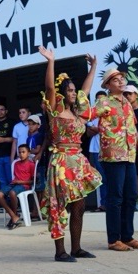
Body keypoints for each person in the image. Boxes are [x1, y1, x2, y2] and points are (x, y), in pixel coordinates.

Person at [38, 47, 103, 261]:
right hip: (61, 162)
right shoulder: (56, 109)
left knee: (79, 206)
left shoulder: (78, 112)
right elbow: (49, 86)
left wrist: (93, 67)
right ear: (61, 93)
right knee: (59, 206)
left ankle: (76, 248)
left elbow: (85, 89)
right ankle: (60, 251)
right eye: (70, 91)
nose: (74, 94)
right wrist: (51, 61)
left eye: (74, 91)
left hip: (78, 162)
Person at [91, 68, 138, 251]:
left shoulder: (127, 103)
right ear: (108, 85)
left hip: (129, 153)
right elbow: (87, 116)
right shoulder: (104, 101)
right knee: (115, 197)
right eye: (116, 80)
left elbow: (132, 127)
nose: (121, 81)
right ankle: (113, 239)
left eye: (122, 78)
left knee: (130, 195)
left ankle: (127, 236)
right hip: (113, 155)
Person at [0, 144, 35, 230]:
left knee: (12, 193)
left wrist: (20, 182)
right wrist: (16, 182)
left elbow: (33, 181)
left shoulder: (31, 165)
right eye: (19, 152)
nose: (21, 154)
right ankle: (13, 215)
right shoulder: (16, 164)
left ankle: (14, 216)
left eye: (23, 152)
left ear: (28, 153)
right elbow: (15, 178)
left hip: (24, 185)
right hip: (14, 184)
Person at [86, 91, 108, 211]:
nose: (99, 102)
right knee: (101, 178)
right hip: (95, 150)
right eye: (97, 99)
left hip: (107, 150)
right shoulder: (93, 116)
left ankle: (111, 203)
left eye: (102, 99)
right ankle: (104, 203)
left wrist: (97, 129)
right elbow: (89, 133)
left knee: (110, 178)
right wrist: (98, 129)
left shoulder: (110, 114)